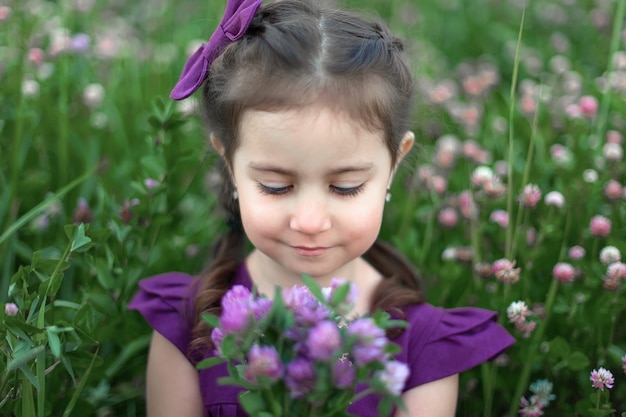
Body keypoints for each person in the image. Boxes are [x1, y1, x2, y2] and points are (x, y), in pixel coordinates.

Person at [129, 0, 515, 416]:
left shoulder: (425, 346)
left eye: (345, 187)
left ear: (394, 165)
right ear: (229, 163)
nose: (310, 222)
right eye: (276, 186)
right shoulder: (188, 324)